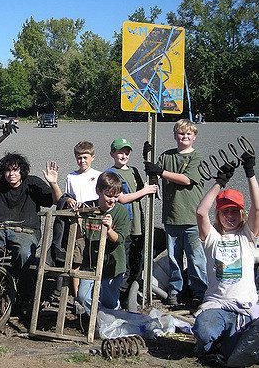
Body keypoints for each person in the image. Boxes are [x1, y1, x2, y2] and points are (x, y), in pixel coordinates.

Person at [0, 153, 62, 304]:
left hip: (26, 229)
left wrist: (53, 183)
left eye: (15, 170)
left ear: (22, 171)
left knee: (24, 252)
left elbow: (56, 200)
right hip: (0, 225)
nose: (11, 174)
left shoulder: (32, 183)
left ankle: (23, 290)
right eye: (7, 170)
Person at [193, 153, 258, 366]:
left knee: (234, 354)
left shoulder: (247, 236)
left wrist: (250, 174)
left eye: (234, 211)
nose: (230, 216)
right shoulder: (212, 238)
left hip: (245, 307)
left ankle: (224, 346)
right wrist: (219, 183)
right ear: (219, 214)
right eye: (224, 211)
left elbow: (258, 208)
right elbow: (201, 212)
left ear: (242, 213)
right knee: (204, 331)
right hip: (217, 305)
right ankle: (210, 344)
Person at [144, 119, 207, 307]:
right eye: (181, 133)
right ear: (175, 135)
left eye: (188, 134)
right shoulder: (166, 156)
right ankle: (175, 291)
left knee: (196, 259)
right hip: (171, 217)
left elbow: (186, 180)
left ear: (194, 137)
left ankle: (200, 292)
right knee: (174, 259)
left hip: (192, 217)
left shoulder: (197, 157)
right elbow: (153, 172)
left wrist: (160, 171)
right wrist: (147, 158)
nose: (184, 137)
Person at [106, 138, 158, 309]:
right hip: (124, 225)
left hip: (138, 223)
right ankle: (120, 298)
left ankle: (132, 296)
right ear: (112, 153)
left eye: (127, 152)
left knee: (138, 260)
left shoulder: (134, 171)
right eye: (120, 152)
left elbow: (146, 187)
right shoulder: (111, 174)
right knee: (125, 263)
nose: (124, 155)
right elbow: (121, 198)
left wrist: (147, 160)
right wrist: (144, 191)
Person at [76, 172, 130, 313]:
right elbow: (79, 234)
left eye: (116, 196)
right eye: (109, 195)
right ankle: (99, 319)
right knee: (82, 296)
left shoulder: (121, 213)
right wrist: (77, 218)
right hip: (90, 263)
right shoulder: (88, 208)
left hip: (112, 265)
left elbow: (120, 239)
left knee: (109, 301)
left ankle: (112, 318)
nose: (112, 200)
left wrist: (109, 229)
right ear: (98, 191)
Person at [60, 141, 102, 297]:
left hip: (94, 217)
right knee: (77, 255)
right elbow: (67, 196)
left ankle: (95, 293)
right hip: (77, 219)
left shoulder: (98, 175)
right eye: (79, 158)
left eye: (85, 157)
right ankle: (77, 295)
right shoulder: (71, 176)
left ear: (92, 157)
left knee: (94, 255)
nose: (82, 161)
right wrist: (69, 201)